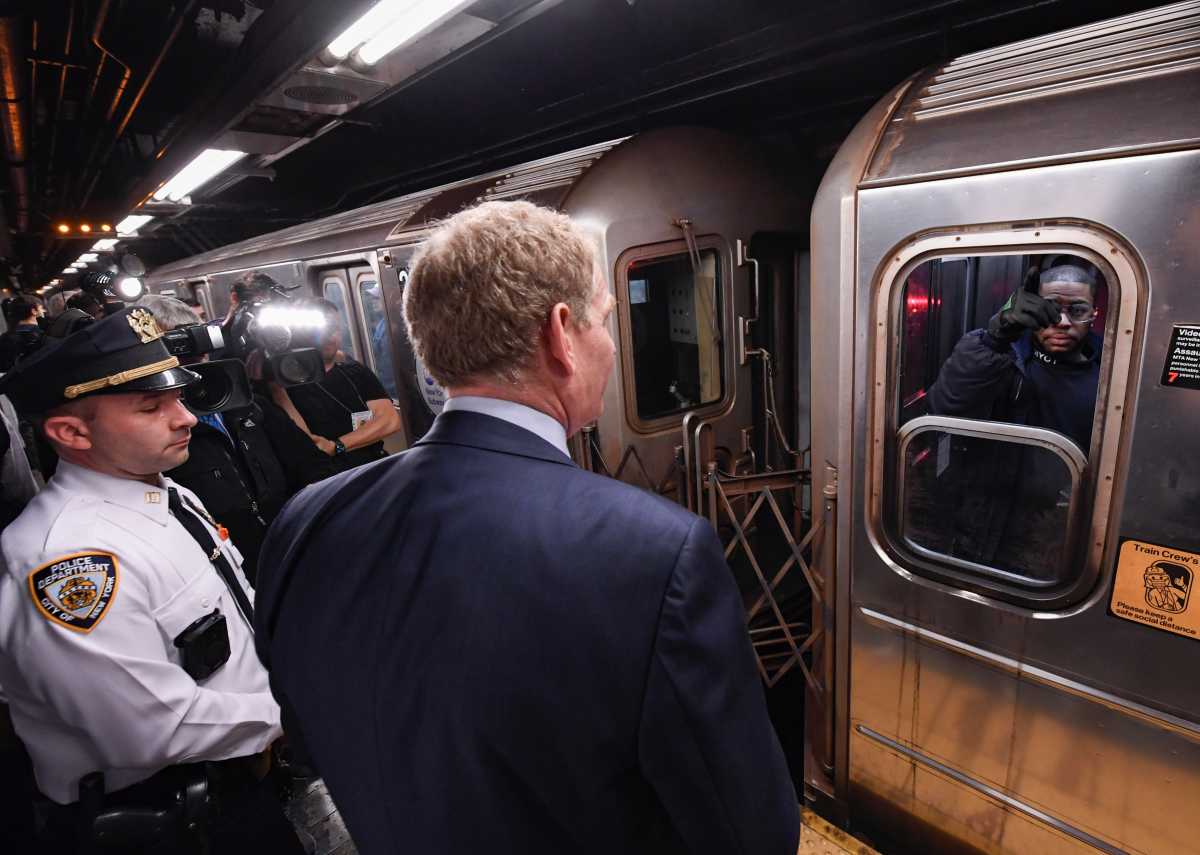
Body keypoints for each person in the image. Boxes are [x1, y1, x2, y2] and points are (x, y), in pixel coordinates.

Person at [255, 201, 799, 855]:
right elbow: (751, 833)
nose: (612, 346)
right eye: (604, 320)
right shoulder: (658, 553)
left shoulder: (307, 519)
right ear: (561, 334)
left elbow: (307, 736)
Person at [0, 306, 304, 854]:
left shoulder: (165, 493)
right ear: (71, 432)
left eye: (179, 399)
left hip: (240, 778)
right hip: (173, 823)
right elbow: (148, 728)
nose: (186, 418)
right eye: (151, 407)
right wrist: (300, 709)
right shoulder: (68, 560)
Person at [139, 294, 335, 584]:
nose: (196, 375)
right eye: (182, 363)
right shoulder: (153, 436)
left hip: (294, 554)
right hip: (224, 572)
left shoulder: (248, 407)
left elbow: (312, 465)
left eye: (200, 358)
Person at [928, 255, 1103, 451]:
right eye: (1050, 309)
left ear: (1093, 314)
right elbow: (945, 412)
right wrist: (994, 339)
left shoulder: (1110, 372)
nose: (1062, 322)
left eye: (1077, 311)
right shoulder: (1006, 360)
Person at [277, 298, 402, 472]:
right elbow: (306, 441)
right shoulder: (285, 382)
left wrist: (337, 446)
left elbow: (390, 420)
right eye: (321, 329)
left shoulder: (355, 372)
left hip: (372, 466)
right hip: (326, 475)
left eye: (335, 328)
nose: (330, 336)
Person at [0, 295, 46, 371]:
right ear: (34, 311)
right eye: (41, 308)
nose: (44, 311)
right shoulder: (39, 335)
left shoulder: (4, 337)